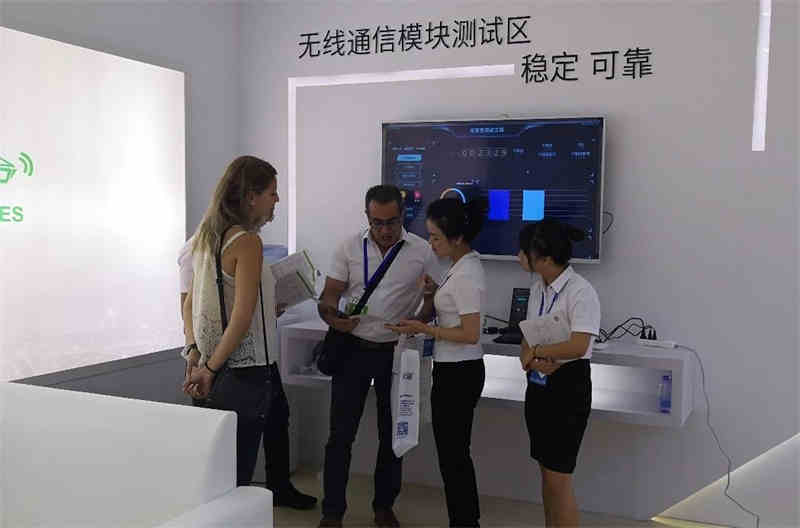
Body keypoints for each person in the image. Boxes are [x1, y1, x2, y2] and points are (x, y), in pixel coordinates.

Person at [180, 155, 315, 510]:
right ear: (251, 197)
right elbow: (240, 318)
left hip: (213, 365)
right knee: (235, 479)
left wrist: (195, 355)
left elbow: (190, 304)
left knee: (219, 470)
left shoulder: (206, 237)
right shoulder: (247, 242)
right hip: (244, 370)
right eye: (272, 192)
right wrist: (210, 369)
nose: (277, 200)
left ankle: (273, 491)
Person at [317, 184, 441, 528]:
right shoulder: (348, 247)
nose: (385, 230)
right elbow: (328, 297)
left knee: (392, 435)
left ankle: (384, 507)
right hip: (353, 349)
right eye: (377, 223)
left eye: (392, 222)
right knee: (340, 437)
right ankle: (332, 512)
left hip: (396, 353)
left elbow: (432, 306)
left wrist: (424, 309)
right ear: (367, 217)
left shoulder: (421, 252)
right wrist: (335, 319)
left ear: (403, 216)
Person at [387, 197, 488, 528]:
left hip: (460, 372)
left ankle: (465, 522)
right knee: (451, 455)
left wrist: (425, 329)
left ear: (456, 238)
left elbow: (470, 333)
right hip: (451, 369)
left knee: (454, 456)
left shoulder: (468, 273)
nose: (430, 244)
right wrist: (431, 297)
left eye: (435, 238)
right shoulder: (457, 268)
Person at [517, 219, 601, 527]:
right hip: (538, 385)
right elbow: (528, 336)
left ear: (546, 258)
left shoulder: (581, 291)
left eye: (524, 251)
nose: (519, 256)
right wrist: (529, 359)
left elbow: (579, 345)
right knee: (546, 473)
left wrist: (540, 352)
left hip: (568, 388)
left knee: (559, 478)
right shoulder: (537, 288)